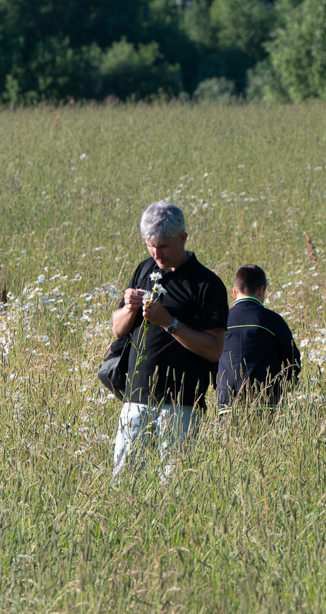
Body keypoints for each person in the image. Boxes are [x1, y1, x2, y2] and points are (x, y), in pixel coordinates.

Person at [111, 201, 228, 478]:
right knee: (124, 479)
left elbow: (214, 350)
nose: (156, 253)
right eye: (150, 245)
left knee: (174, 485)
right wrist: (129, 308)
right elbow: (118, 329)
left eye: (163, 246)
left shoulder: (207, 285)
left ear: (183, 238)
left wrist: (169, 323)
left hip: (181, 403)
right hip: (137, 397)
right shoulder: (144, 269)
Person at [216, 264, 301, 416]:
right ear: (261, 290)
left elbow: (210, 356)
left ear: (234, 292)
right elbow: (292, 361)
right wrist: (283, 388)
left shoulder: (221, 321)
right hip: (265, 403)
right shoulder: (271, 319)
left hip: (228, 405)